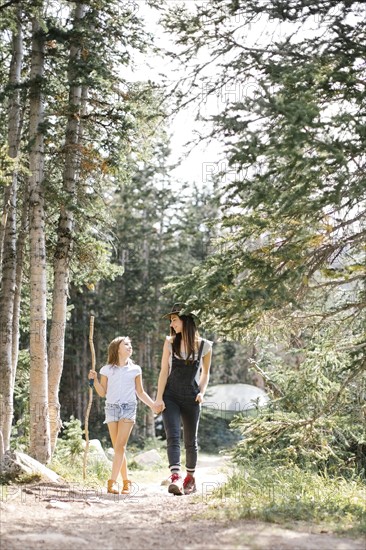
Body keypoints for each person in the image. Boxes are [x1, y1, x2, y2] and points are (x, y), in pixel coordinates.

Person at [154, 303, 213, 496]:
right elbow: (164, 372)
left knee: (190, 440)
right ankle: (175, 477)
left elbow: (205, 374)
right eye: (171, 321)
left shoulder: (205, 346)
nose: (172, 324)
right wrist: (158, 398)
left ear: (186, 321)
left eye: (174, 319)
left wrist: (202, 392)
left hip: (192, 397)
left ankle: (190, 479)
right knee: (172, 435)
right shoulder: (169, 342)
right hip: (170, 395)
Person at [88, 335, 156, 495]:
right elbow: (102, 393)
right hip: (111, 408)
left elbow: (140, 392)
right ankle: (126, 483)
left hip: (128, 408)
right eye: (126, 344)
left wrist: (153, 405)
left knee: (120, 446)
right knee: (119, 449)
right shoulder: (106, 370)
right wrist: (94, 381)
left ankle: (111, 483)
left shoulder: (135, 369)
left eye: (130, 344)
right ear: (117, 348)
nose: (129, 347)